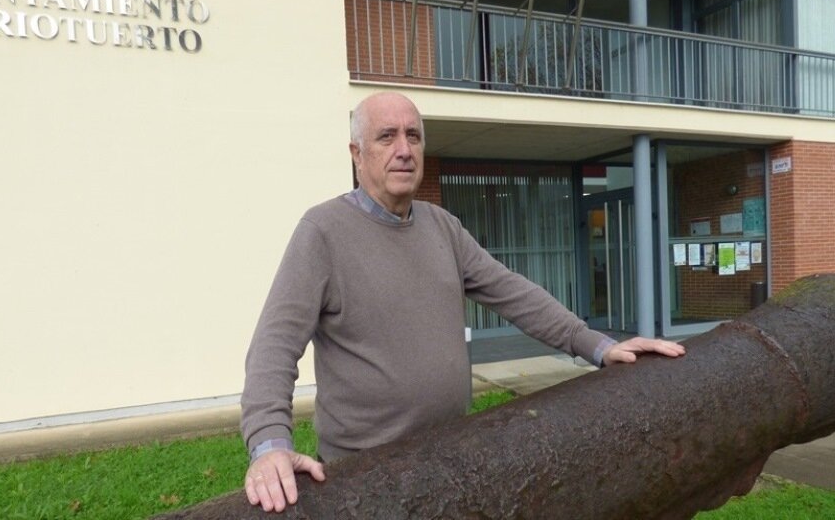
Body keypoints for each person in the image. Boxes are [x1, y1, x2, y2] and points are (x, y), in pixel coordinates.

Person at [240, 92, 685, 513]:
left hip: (449, 455)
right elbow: (274, 346)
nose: (404, 149)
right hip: (363, 472)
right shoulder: (323, 231)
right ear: (357, 154)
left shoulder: (441, 226)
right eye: (386, 136)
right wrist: (270, 445)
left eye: (413, 136)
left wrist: (597, 345)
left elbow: (512, 291)